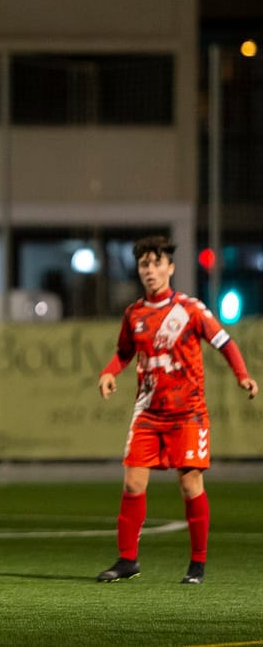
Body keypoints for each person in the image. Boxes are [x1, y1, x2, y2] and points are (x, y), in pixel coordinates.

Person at [95, 236, 257, 585]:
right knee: (133, 484)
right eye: (144, 265)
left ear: (170, 267)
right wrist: (110, 371)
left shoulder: (190, 309)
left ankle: (197, 565)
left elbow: (225, 343)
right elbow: (124, 352)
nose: (150, 270)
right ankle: (127, 561)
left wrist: (242, 375)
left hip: (187, 413)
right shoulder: (134, 313)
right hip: (148, 411)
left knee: (190, 485)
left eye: (156, 263)